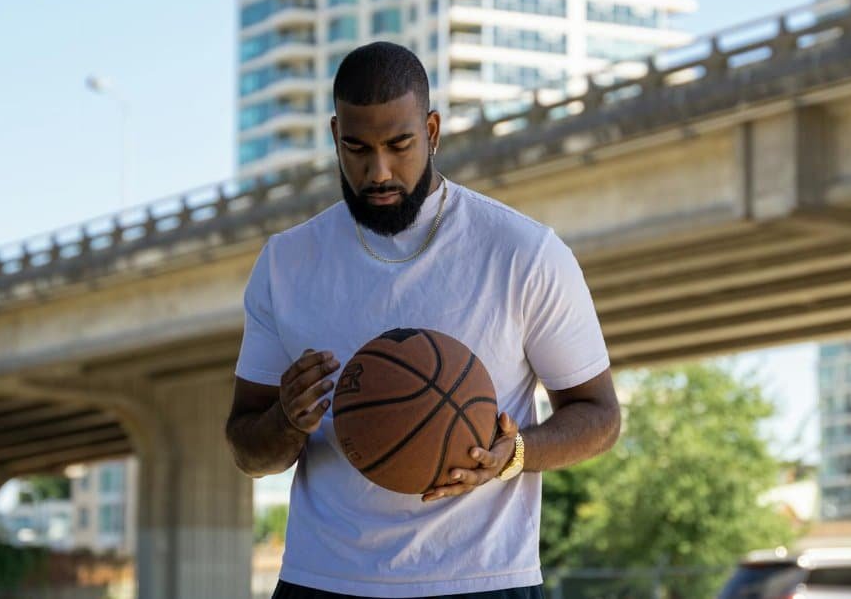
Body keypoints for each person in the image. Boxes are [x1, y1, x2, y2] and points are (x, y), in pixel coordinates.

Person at [225, 42, 621, 599]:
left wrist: (517, 454)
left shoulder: (522, 252)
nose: (377, 170)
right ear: (335, 135)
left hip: (483, 580)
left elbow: (600, 415)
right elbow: (247, 449)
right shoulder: (288, 263)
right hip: (324, 580)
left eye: (399, 145)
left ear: (432, 131)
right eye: (357, 148)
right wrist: (287, 420)